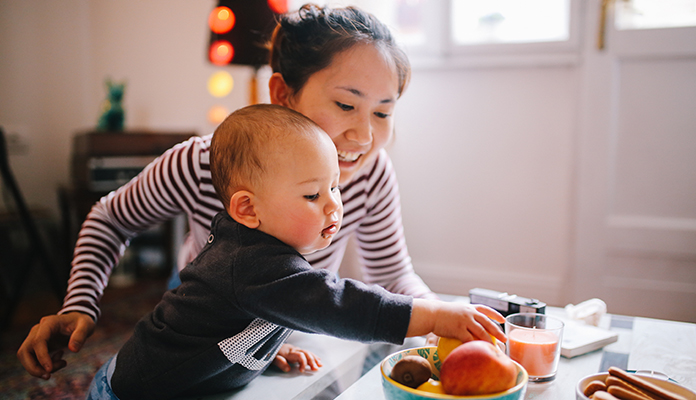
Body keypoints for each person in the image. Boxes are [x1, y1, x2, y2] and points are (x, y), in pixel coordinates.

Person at [19, 4, 437, 380]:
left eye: (383, 111)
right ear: (282, 93)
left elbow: (393, 274)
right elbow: (110, 218)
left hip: (282, 323)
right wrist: (79, 304)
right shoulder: (199, 162)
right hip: (208, 317)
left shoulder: (371, 172)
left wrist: (442, 320)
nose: (364, 136)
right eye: (346, 106)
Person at [86, 104, 507, 400]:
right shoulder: (249, 262)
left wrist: (265, 345)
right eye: (311, 194)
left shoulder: (263, 251)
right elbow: (339, 304)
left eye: (334, 188)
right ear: (248, 209)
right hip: (133, 392)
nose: (332, 206)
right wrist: (432, 315)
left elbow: (233, 315)